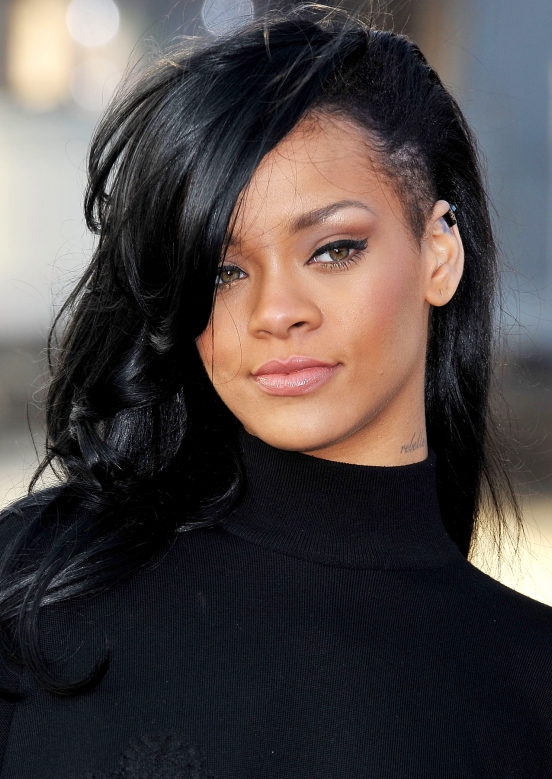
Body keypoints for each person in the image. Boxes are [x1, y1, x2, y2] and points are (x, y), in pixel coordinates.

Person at [0, 6, 551, 778]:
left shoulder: (530, 682)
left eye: (333, 249)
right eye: (223, 270)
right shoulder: (34, 584)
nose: (275, 311)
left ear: (439, 253)